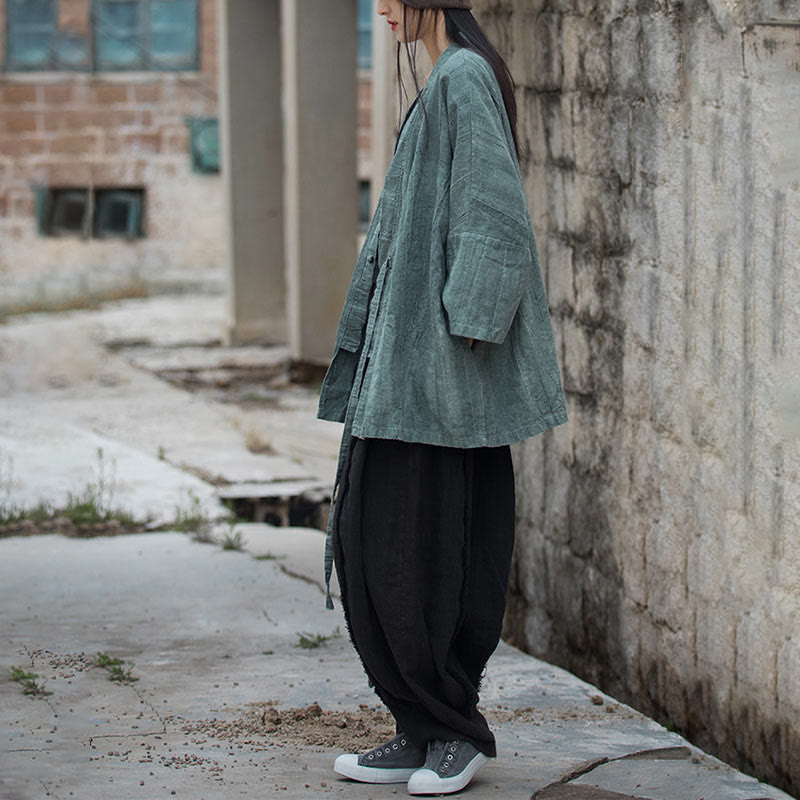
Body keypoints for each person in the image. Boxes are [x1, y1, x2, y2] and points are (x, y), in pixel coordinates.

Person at [316, 0, 568, 794]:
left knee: (425, 555)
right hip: (406, 380)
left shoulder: (463, 78)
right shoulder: (445, 78)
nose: (383, 7)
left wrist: (466, 334)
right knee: (379, 550)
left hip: (439, 381)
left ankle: (454, 731)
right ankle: (420, 727)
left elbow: (496, 218)